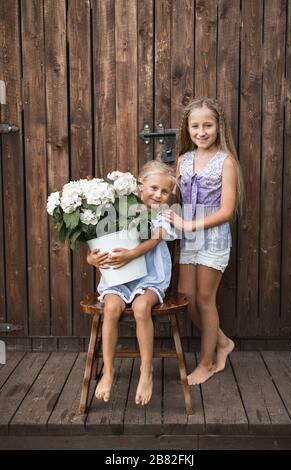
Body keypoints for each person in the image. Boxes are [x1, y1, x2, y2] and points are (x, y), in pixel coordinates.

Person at [163, 97, 244, 385]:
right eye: (195, 126)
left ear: (218, 127)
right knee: (187, 297)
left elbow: (226, 210)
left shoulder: (226, 162)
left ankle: (207, 363)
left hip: (212, 236)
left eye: (207, 125)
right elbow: (173, 196)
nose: (201, 132)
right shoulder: (183, 160)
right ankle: (223, 342)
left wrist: (189, 223)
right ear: (187, 128)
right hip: (188, 236)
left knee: (206, 300)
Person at [87, 160, 177, 405]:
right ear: (140, 186)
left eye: (165, 191)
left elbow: (155, 239)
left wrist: (132, 254)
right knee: (111, 308)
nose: (159, 195)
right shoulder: (120, 210)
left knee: (140, 308)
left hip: (151, 277)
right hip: (120, 277)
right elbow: (98, 242)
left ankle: (146, 370)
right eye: (154, 188)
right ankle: (108, 371)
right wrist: (91, 258)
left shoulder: (164, 216)